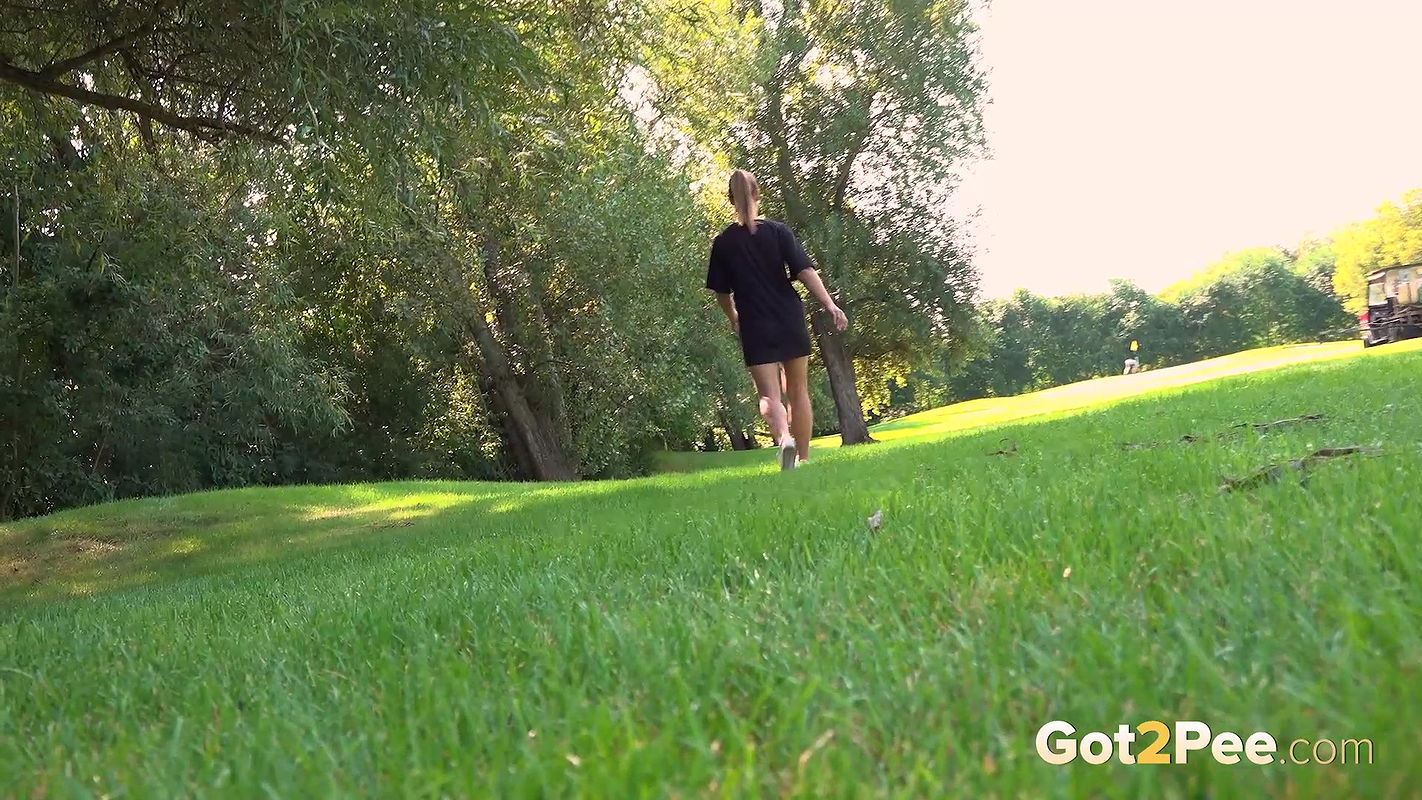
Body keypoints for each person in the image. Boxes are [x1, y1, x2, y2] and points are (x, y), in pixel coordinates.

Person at [705, 169, 848, 471]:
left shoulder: (723, 243)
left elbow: (721, 292)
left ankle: (785, 440)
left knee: (769, 395)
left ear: (731, 199)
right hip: (788, 315)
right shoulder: (779, 232)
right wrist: (830, 304)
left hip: (755, 322)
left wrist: (733, 317)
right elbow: (805, 271)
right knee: (798, 389)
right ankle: (805, 460)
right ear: (757, 195)